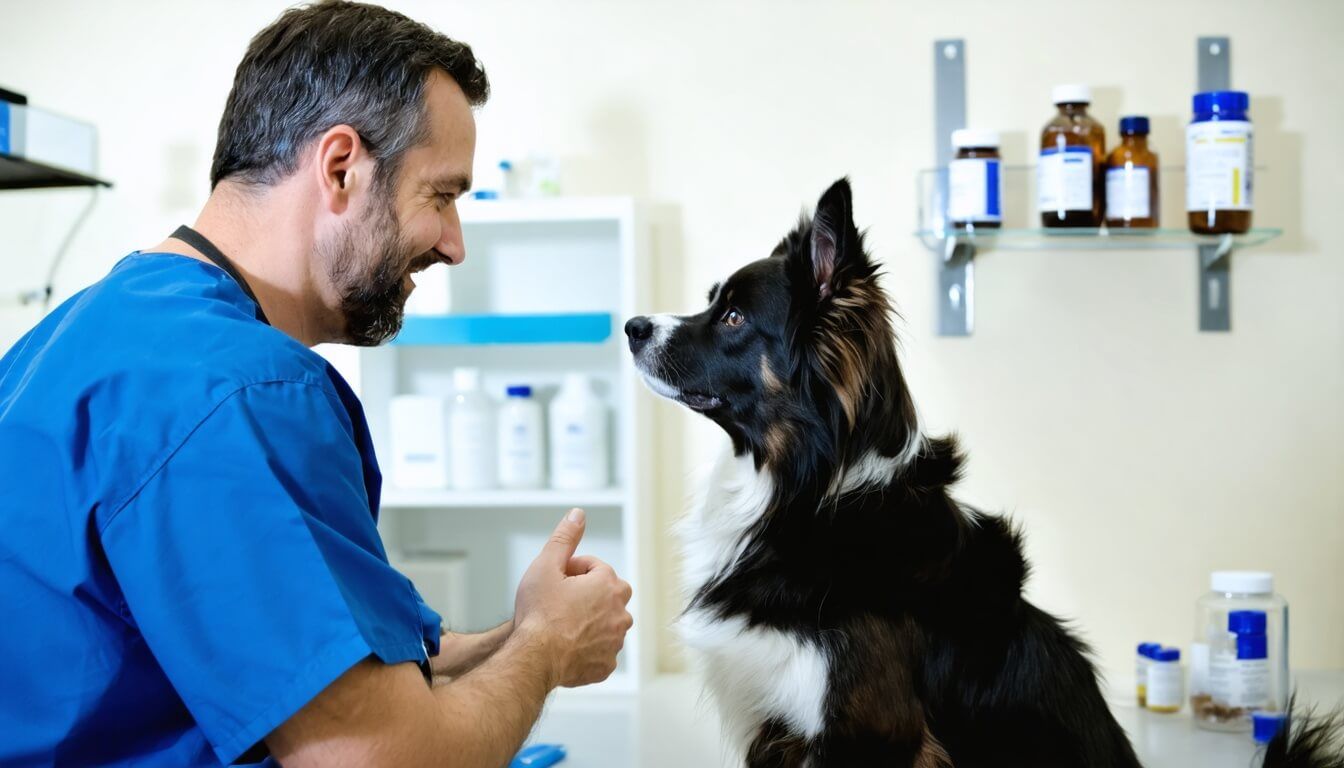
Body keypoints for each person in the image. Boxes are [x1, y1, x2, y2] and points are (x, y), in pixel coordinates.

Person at [0, 2, 633, 766]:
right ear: (341, 166)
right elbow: (378, 757)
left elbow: (309, 660)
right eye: (442, 195)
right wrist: (546, 651)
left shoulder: (74, 340)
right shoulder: (242, 395)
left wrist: (526, 627)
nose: (455, 244)